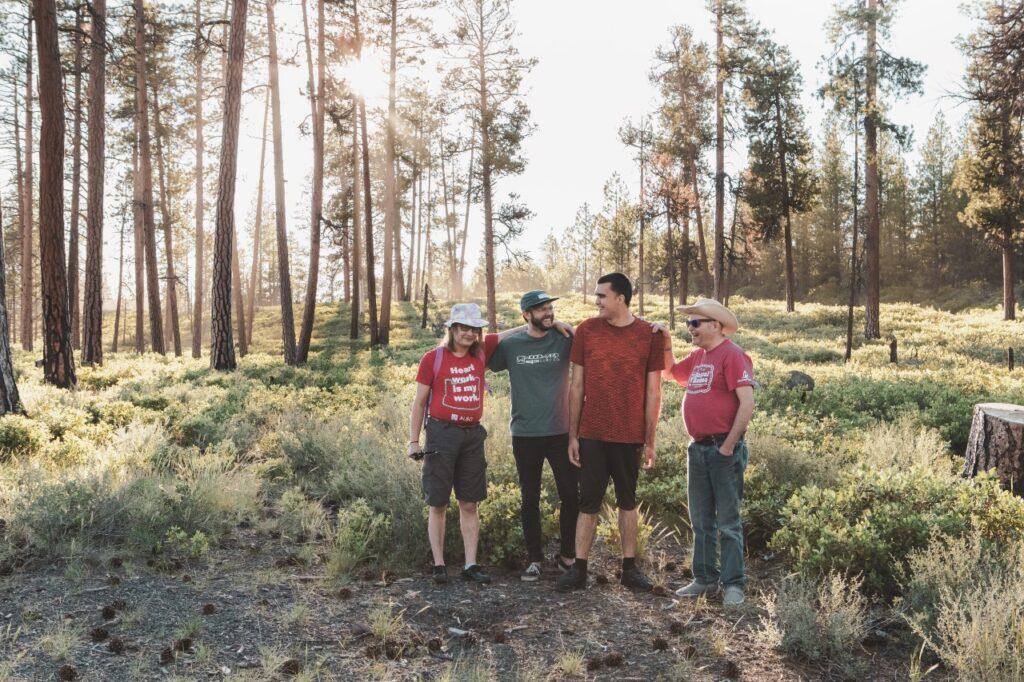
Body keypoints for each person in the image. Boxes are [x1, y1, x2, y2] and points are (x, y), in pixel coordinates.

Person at [556, 273, 664, 592]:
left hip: (630, 435)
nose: (597, 301)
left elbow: (654, 393)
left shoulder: (649, 335)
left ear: (621, 297)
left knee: (627, 501)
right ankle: (579, 569)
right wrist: (573, 435)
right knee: (587, 501)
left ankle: (629, 569)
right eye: (597, 295)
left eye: (602, 295)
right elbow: (576, 386)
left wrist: (650, 440)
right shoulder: (587, 331)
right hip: (592, 433)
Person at [662, 298, 755, 606]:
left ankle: (733, 584)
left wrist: (728, 446)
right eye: (689, 324)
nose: (690, 329)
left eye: (695, 323)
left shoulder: (733, 355)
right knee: (701, 520)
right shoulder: (699, 356)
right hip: (698, 449)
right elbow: (671, 373)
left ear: (715, 325)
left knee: (728, 521)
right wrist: (664, 341)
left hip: (722, 449)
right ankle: (704, 579)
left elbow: (747, 403)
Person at [486, 290, 579, 582]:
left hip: (561, 431)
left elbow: (588, 346)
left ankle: (567, 555)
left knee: (570, 495)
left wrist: (565, 324)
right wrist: (514, 330)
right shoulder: (512, 345)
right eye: (541, 310)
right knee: (530, 498)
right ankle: (535, 558)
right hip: (525, 433)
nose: (548, 313)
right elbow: (484, 350)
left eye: (550, 308)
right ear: (526, 314)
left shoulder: (564, 339)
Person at [408, 303, 494, 585]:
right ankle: (439, 564)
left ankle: (470, 564)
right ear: (452, 329)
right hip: (441, 433)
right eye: (464, 328)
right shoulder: (432, 358)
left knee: (469, 502)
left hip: (472, 435)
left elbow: (518, 331)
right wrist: (413, 441)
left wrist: (554, 324)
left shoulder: (480, 353)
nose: (469, 334)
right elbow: (419, 402)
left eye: (474, 329)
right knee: (438, 502)